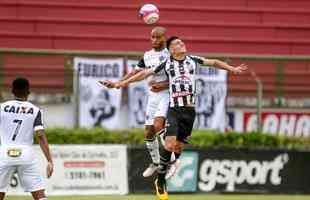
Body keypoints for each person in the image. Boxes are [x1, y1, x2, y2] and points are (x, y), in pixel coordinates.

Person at [102, 36, 247, 200]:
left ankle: (170, 163)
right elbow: (144, 73)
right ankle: (161, 181)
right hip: (174, 109)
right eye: (177, 43)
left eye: (182, 42)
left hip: (190, 111)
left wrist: (231, 69)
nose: (182, 43)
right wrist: (119, 84)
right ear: (171, 50)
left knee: (178, 147)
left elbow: (213, 62)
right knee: (169, 144)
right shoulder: (167, 64)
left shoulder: (193, 60)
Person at [100, 26, 179, 179]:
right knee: (149, 131)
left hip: (167, 94)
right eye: (152, 37)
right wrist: (117, 82)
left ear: (164, 38)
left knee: (158, 126)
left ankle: (173, 161)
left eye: (158, 37)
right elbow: (135, 72)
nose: (155, 40)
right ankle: (157, 163)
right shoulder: (147, 55)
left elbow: (179, 78)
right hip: (153, 96)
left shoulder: (170, 54)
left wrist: (163, 85)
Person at [0, 77, 53, 200]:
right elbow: (40, 136)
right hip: (26, 155)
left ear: (12, 91)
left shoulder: (2, 107)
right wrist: (49, 160)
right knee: (40, 195)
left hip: (4, 153)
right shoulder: (35, 111)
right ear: (28, 91)